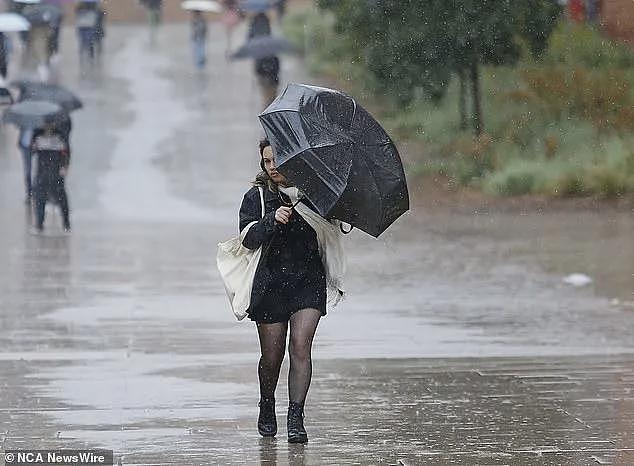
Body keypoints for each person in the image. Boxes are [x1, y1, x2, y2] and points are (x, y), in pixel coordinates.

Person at [238, 139, 344, 443]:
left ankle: (296, 417)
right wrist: (272, 219)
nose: (272, 168)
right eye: (267, 162)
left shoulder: (315, 194)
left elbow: (332, 225)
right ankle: (267, 403)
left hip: (307, 282)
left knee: (300, 347)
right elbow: (247, 239)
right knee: (272, 357)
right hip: (270, 283)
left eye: (277, 161)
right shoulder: (256, 197)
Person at [31, 123, 71, 233]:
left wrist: (64, 166)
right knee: (40, 197)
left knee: (61, 196)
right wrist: (33, 147)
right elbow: (32, 150)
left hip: (56, 171)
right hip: (42, 171)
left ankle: (66, 223)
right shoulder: (37, 133)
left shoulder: (61, 134)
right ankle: (39, 224)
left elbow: (66, 151)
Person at [18, 127, 35, 203]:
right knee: (27, 171)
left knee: (35, 171)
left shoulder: (37, 124)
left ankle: (35, 192)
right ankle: (29, 193)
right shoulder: (24, 123)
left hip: (34, 148)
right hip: (25, 147)